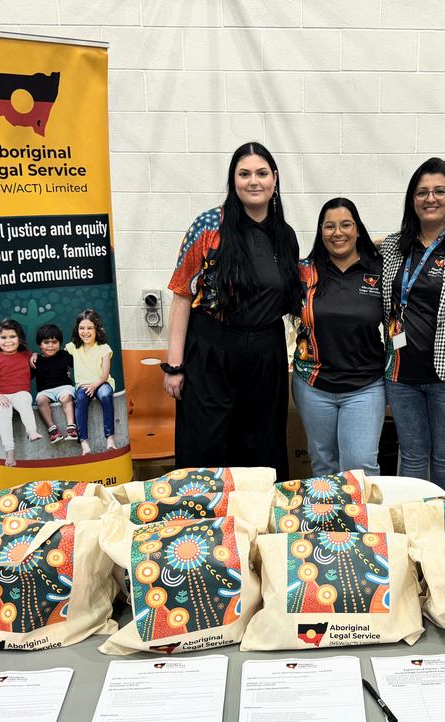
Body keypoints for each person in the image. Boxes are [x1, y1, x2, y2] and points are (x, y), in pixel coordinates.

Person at [162, 141, 301, 478]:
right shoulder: (209, 226)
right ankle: (202, 511)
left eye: (261, 173)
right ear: (233, 180)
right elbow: (182, 295)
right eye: (244, 174)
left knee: (262, 451)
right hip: (211, 352)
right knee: (205, 448)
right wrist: (174, 365)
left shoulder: (285, 235)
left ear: (275, 178)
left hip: (265, 356)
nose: (253, 181)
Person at [380, 157, 445, 495]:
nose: (431, 198)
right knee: (411, 456)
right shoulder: (394, 247)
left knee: (444, 457)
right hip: (400, 375)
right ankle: (412, 519)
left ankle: (443, 521)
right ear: (412, 199)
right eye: (422, 192)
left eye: (439, 191)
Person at [292, 198, 385, 476]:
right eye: (330, 226)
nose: (338, 232)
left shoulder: (379, 269)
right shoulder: (304, 271)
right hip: (313, 385)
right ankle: (327, 509)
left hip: (365, 386)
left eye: (346, 225)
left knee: (361, 468)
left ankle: (361, 509)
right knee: (324, 465)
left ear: (358, 229)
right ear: (321, 231)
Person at [0, 319, 42, 467]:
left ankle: (32, 431)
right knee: (5, 409)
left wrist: (34, 355)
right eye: (3, 337)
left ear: (19, 338)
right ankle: (9, 452)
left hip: (18, 394)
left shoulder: (25, 355)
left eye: (12, 337)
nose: (8, 341)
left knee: (24, 397)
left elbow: (32, 362)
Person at [67, 308, 117, 456]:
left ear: (96, 329)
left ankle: (110, 438)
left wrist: (94, 385)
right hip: (83, 385)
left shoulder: (104, 348)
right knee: (80, 399)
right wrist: (35, 355)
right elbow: (56, 355)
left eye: (89, 328)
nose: (85, 332)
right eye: (81, 328)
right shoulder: (73, 347)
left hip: (101, 383)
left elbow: (105, 374)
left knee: (106, 395)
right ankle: (84, 443)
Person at [32, 323, 77, 444]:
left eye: (54, 342)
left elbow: (79, 360)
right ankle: (52, 430)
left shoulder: (64, 355)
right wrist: (31, 356)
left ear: (60, 344)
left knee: (66, 397)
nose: (50, 345)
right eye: (46, 342)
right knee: (40, 400)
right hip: (45, 391)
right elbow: (27, 376)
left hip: (65, 387)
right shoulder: (36, 360)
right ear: (39, 345)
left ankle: (71, 427)